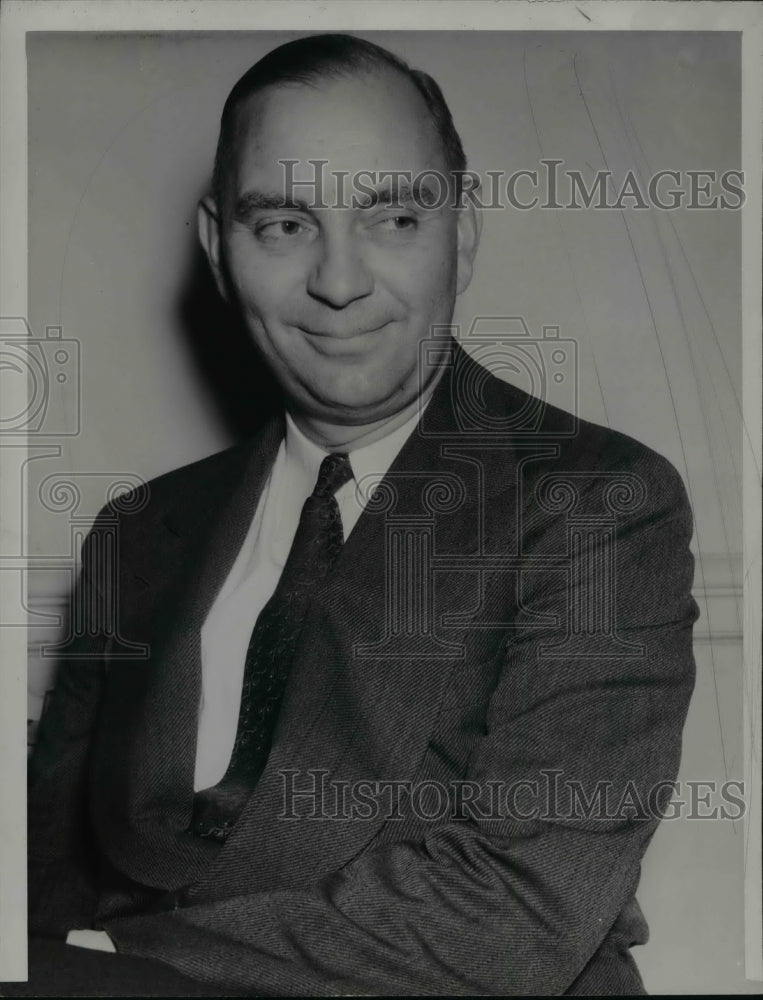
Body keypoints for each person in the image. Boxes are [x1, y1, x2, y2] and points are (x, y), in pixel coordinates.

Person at [21, 33, 698, 996]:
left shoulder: (599, 501)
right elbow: (50, 869)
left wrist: (104, 970)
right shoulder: (137, 530)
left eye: (391, 218)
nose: (339, 283)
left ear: (460, 236)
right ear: (218, 248)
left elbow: (518, 906)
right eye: (284, 225)